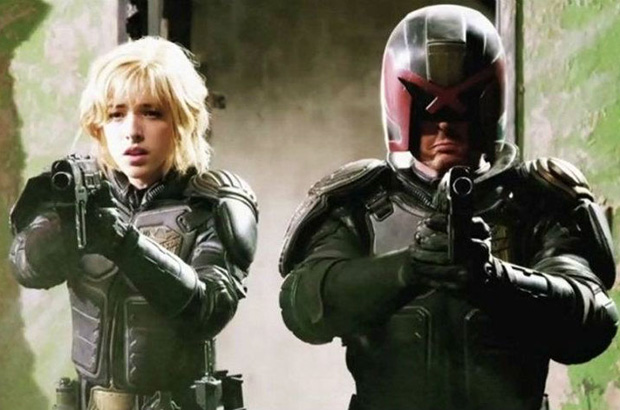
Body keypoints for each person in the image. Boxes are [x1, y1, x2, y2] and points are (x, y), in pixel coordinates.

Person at [278, 5, 618, 410]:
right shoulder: (361, 201)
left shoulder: (537, 200)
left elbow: (592, 322)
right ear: (402, 110)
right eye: (427, 110)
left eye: (463, 109)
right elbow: (302, 307)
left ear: (487, 110)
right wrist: (407, 270)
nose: (444, 126)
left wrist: (494, 279)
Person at [9, 36, 258, 410]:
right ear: (99, 124)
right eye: (116, 114)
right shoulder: (75, 190)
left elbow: (209, 309)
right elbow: (26, 268)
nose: (132, 131)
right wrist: (68, 225)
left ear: (183, 120)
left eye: (151, 113)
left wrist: (125, 243)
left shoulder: (213, 203)